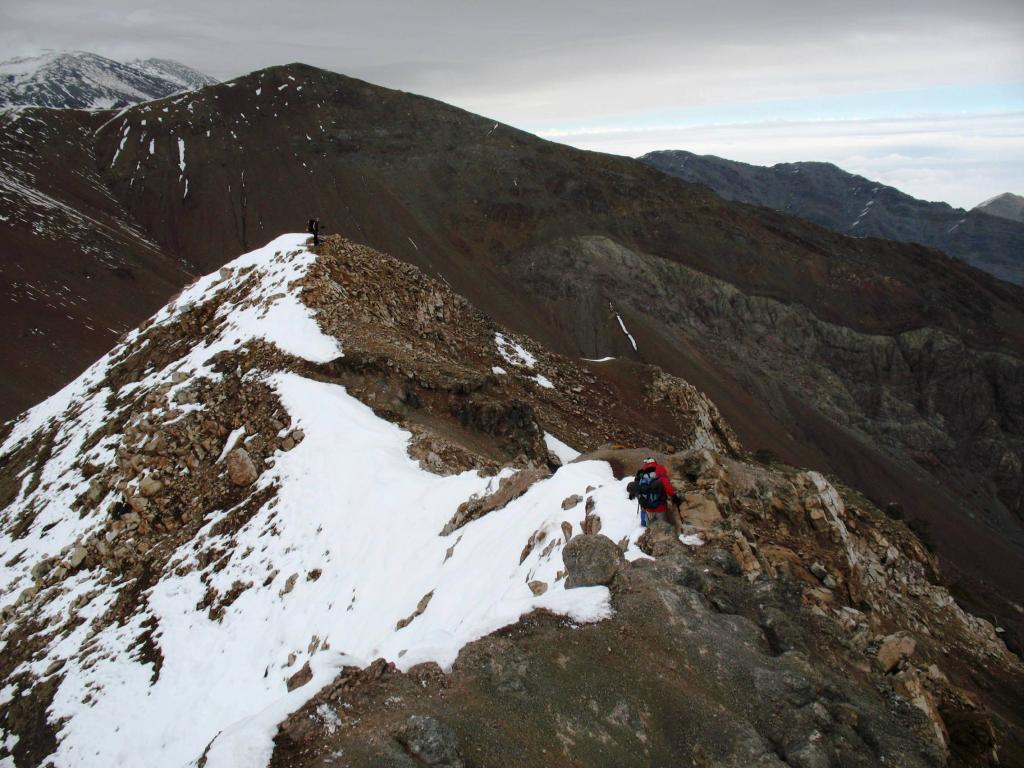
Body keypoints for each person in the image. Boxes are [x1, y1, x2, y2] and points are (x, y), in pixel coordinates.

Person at [627, 457, 683, 535]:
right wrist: (674, 497)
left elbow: (638, 489)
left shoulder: (642, 476)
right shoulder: (660, 474)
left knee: (651, 529)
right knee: (663, 528)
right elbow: (668, 487)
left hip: (648, 508)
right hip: (661, 507)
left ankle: (651, 539)